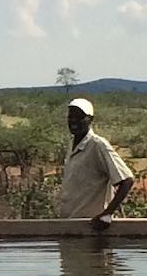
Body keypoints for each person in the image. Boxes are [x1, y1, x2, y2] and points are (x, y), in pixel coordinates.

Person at [56, 98, 136, 229]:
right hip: (70, 225)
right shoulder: (72, 144)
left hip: (92, 228)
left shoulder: (98, 145)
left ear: (90, 119)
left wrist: (107, 214)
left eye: (79, 117)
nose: (74, 121)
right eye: (71, 116)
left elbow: (127, 180)